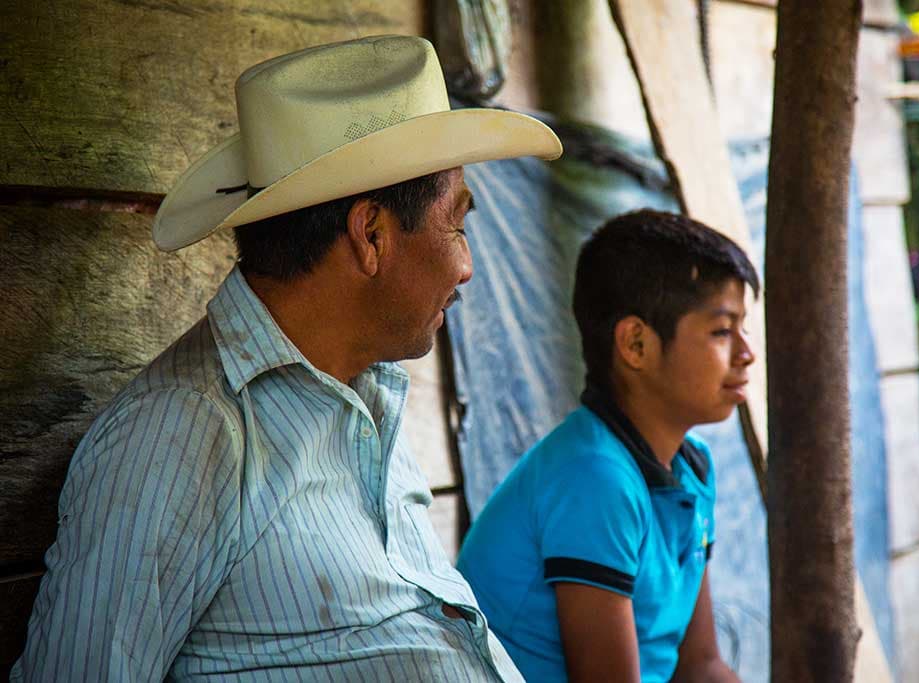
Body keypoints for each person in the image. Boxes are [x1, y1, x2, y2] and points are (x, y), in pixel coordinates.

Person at [13, 35, 561, 682]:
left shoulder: (364, 396)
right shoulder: (181, 436)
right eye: (457, 225)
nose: (467, 267)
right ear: (372, 235)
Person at [457, 209, 757, 682]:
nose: (746, 352)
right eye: (722, 330)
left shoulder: (691, 467)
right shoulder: (595, 478)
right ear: (636, 344)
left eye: (742, 328)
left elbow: (700, 666)